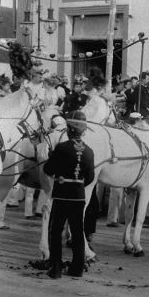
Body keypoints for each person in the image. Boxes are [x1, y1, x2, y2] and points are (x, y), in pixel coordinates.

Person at [43, 111, 95, 278]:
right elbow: (90, 178)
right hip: (79, 196)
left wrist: (59, 174)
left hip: (61, 195)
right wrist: (78, 184)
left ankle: (56, 268)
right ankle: (77, 268)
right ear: (82, 132)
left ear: (69, 130)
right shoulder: (89, 151)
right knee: (78, 232)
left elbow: (47, 169)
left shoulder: (62, 148)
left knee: (56, 231)